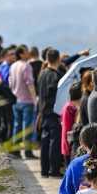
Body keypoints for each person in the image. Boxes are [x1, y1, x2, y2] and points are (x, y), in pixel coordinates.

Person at [37, 48, 64, 177]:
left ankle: (44, 169)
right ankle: (53, 170)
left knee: (45, 142)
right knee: (54, 142)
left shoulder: (41, 74)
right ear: (58, 59)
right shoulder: (55, 76)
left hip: (43, 112)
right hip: (53, 112)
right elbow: (53, 95)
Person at [9, 44, 38, 159]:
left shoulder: (13, 66)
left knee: (17, 126)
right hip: (27, 101)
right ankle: (27, 151)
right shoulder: (26, 66)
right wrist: (34, 98)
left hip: (17, 100)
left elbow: (10, 82)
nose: (28, 53)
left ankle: (15, 151)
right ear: (21, 53)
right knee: (27, 128)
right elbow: (30, 83)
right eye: (26, 52)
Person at [61, 81, 83, 166]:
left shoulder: (69, 106)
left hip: (68, 145)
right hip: (69, 146)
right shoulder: (70, 108)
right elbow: (67, 129)